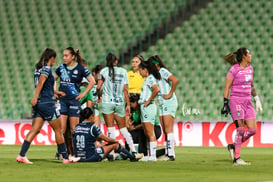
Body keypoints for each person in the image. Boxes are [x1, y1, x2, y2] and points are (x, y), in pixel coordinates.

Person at [16, 48, 80, 164]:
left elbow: (44, 86)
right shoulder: (46, 68)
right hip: (47, 103)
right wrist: (34, 97)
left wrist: (56, 93)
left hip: (40, 103)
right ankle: (65, 157)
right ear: (51, 58)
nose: (55, 61)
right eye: (54, 59)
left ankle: (21, 155)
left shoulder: (38, 69)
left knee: (35, 130)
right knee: (59, 130)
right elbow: (41, 82)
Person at [96, 53, 143, 159]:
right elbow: (126, 90)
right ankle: (134, 152)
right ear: (116, 61)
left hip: (107, 102)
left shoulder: (103, 72)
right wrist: (128, 105)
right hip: (119, 103)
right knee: (123, 129)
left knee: (110, 129)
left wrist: (99, 95)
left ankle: (111, 154)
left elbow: (98, 87)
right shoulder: (123, 72)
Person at [221, 47, 263, 165]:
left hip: (248, 101)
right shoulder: (234, 69)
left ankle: (233, 146)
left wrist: (257, 99)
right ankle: (237, 158)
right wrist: (225, 102)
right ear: (244, 56)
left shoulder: (250, 69)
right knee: (240, 130)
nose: (251, 55)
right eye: (249, 53)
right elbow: (227, 87)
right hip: (236, 101)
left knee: (253, 130)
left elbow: (251, 85)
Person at [55, 47, 95, 156]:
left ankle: (76, 154)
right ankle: (63, 153)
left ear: (73, 57)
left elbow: (92, 81)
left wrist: (84, 93)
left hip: (74, 102)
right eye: (63, 55)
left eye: (66, 55)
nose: (64, 58)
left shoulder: (81, 69)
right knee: (62, 130)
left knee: (73, 129)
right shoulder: (61, 68)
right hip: (62, 101)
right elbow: (53, 78)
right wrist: (55, 91)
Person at [73, 107, 138, 162]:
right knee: (115, 145)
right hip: (90, 157)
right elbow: (106, 139)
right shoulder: (92, 127)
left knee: (101, 145)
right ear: (91, 116)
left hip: (78, 157)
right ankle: (132, 157)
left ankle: (110, 157)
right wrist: (116, 141)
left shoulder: (77, 127)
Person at [151, 55, 178, 161]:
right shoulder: (156, 74)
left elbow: (175, 80)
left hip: (169, 102)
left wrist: (170, 93)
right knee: (165, 130)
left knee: (168, 129)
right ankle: (168, 152)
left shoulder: (162, 71)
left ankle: (171, 154)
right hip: (162, 103)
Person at [138, 58, 161, 162]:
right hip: (145, 107)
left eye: (140, 70)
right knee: (147, 132)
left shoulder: (151, 78)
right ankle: (149, 154)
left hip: (148, 107)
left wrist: (148, 101)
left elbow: (156, 89)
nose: (139, 72)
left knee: (150, 132)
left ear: (145, 70)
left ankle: (153, 155)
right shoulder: (147, 79)